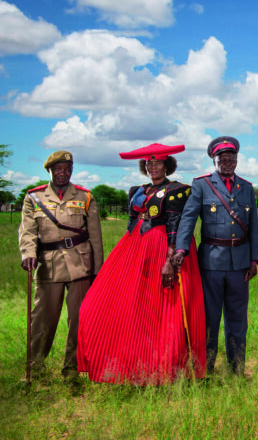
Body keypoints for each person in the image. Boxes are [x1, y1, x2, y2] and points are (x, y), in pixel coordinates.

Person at [77, 143, 206, 384]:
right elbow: (131, 223)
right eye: (148, 163)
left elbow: (175, 226)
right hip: (135, 249)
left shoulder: (177, 190)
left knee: (160, 309)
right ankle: (125, 363)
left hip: (161, 250)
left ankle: (165, 367)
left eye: (157, 163)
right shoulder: (137, 190)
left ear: (167, 165)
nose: (152, 167)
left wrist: (170, 260)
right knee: (104, 304)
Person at [172, 137, 258, 376]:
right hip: (210, 263)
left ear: (237, 160)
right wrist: (181, 249)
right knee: (209, 319)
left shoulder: (247, 187)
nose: (227, 162)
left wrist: (254, 260)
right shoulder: (202, 185)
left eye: (231, 158)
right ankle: (205, 369)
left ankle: (237, 371)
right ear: (215, 160)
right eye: (222, 159)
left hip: (240, 264)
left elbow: (253, 226)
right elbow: (188, 219)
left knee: (238, 320)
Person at [18, 150, 103, 379]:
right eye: (58, 169)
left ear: (71, 170)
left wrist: (98, 272)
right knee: (42, 319)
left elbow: (95, 237)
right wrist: (28, 253)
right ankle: (35, 369)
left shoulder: (85, 196)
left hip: (81, 264)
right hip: (48, 264)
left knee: (78, 320)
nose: (62, 173)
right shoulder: (34, 198)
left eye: (67, 169)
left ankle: (71, 370)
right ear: (50, 171)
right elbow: (27, 232)